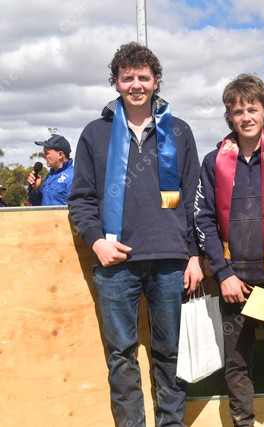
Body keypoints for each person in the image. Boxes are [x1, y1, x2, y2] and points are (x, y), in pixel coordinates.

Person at [68, 42, 203, 426]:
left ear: (156, 80)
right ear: (116, 82)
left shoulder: (179, 130)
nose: (136, 85)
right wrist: (96, 241)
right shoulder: (95, 134)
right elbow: (81, 199)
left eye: (143, 77)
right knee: (121, 355)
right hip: (116, 263)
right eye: (127, 78)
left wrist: (195, 254)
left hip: (171, 261)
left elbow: (194, 198)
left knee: (170, 353)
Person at [195, 73, 264, 426]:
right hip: (234, 282)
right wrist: (223, 274)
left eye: (252, 109)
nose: (246, 117)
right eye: (238, 111)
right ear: (229, 116)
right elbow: (205, 220)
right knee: (237, 362)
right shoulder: (214, 161)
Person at [27, 134, 74, 205]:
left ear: (60, 155)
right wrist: (35, 189)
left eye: (47, 153)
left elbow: (80, 206)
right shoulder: (50, 175)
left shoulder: (74, 177)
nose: (43, 156)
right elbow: (39, 205)